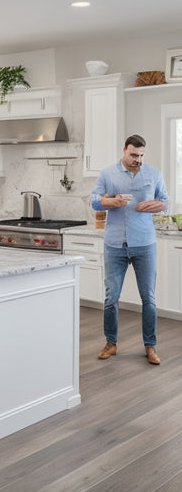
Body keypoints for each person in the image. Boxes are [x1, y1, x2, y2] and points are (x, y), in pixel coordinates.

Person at [91, 134, 169, 365]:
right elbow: (95, 201)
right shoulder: (107, 174)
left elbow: (165, 201)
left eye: (142, 155)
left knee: (149, 298)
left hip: (145, 245)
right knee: (111, 298)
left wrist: (157, 206)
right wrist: (111, 201)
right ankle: (111, 343)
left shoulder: (153, 174)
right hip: (115, 245)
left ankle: (150, 346)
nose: (138, 159)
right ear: (124, 150)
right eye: (134, 155)